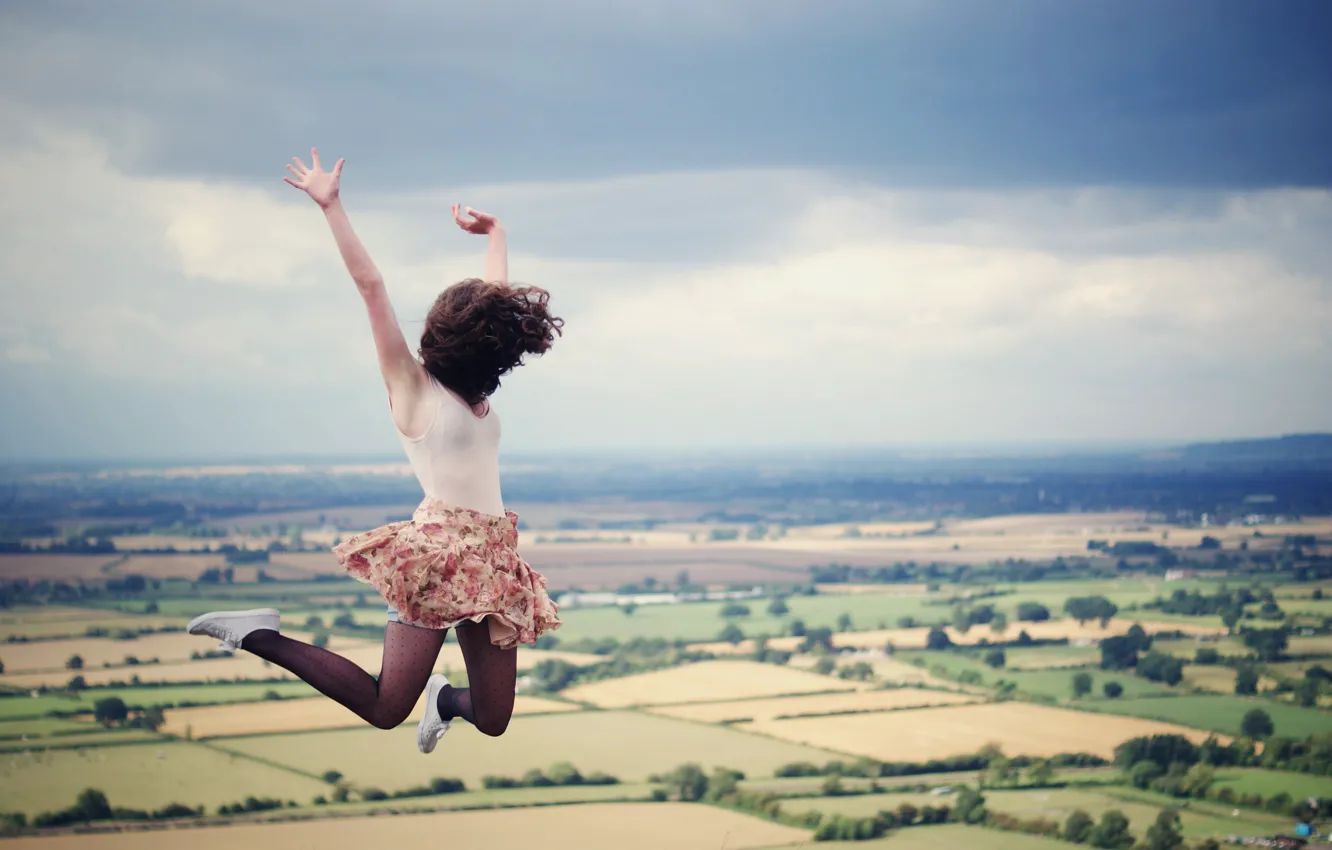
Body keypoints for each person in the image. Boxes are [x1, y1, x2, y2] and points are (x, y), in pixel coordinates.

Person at [187, 148, 563, 753]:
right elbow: (371, 287)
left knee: (493, 718)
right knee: (387, 707)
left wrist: (496, 233)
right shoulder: (413, 389)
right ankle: (257, 634)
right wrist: (331, 205)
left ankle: (445, 701)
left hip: (493, 559)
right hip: (438, 559)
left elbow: (493, 308)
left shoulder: (474, 385)